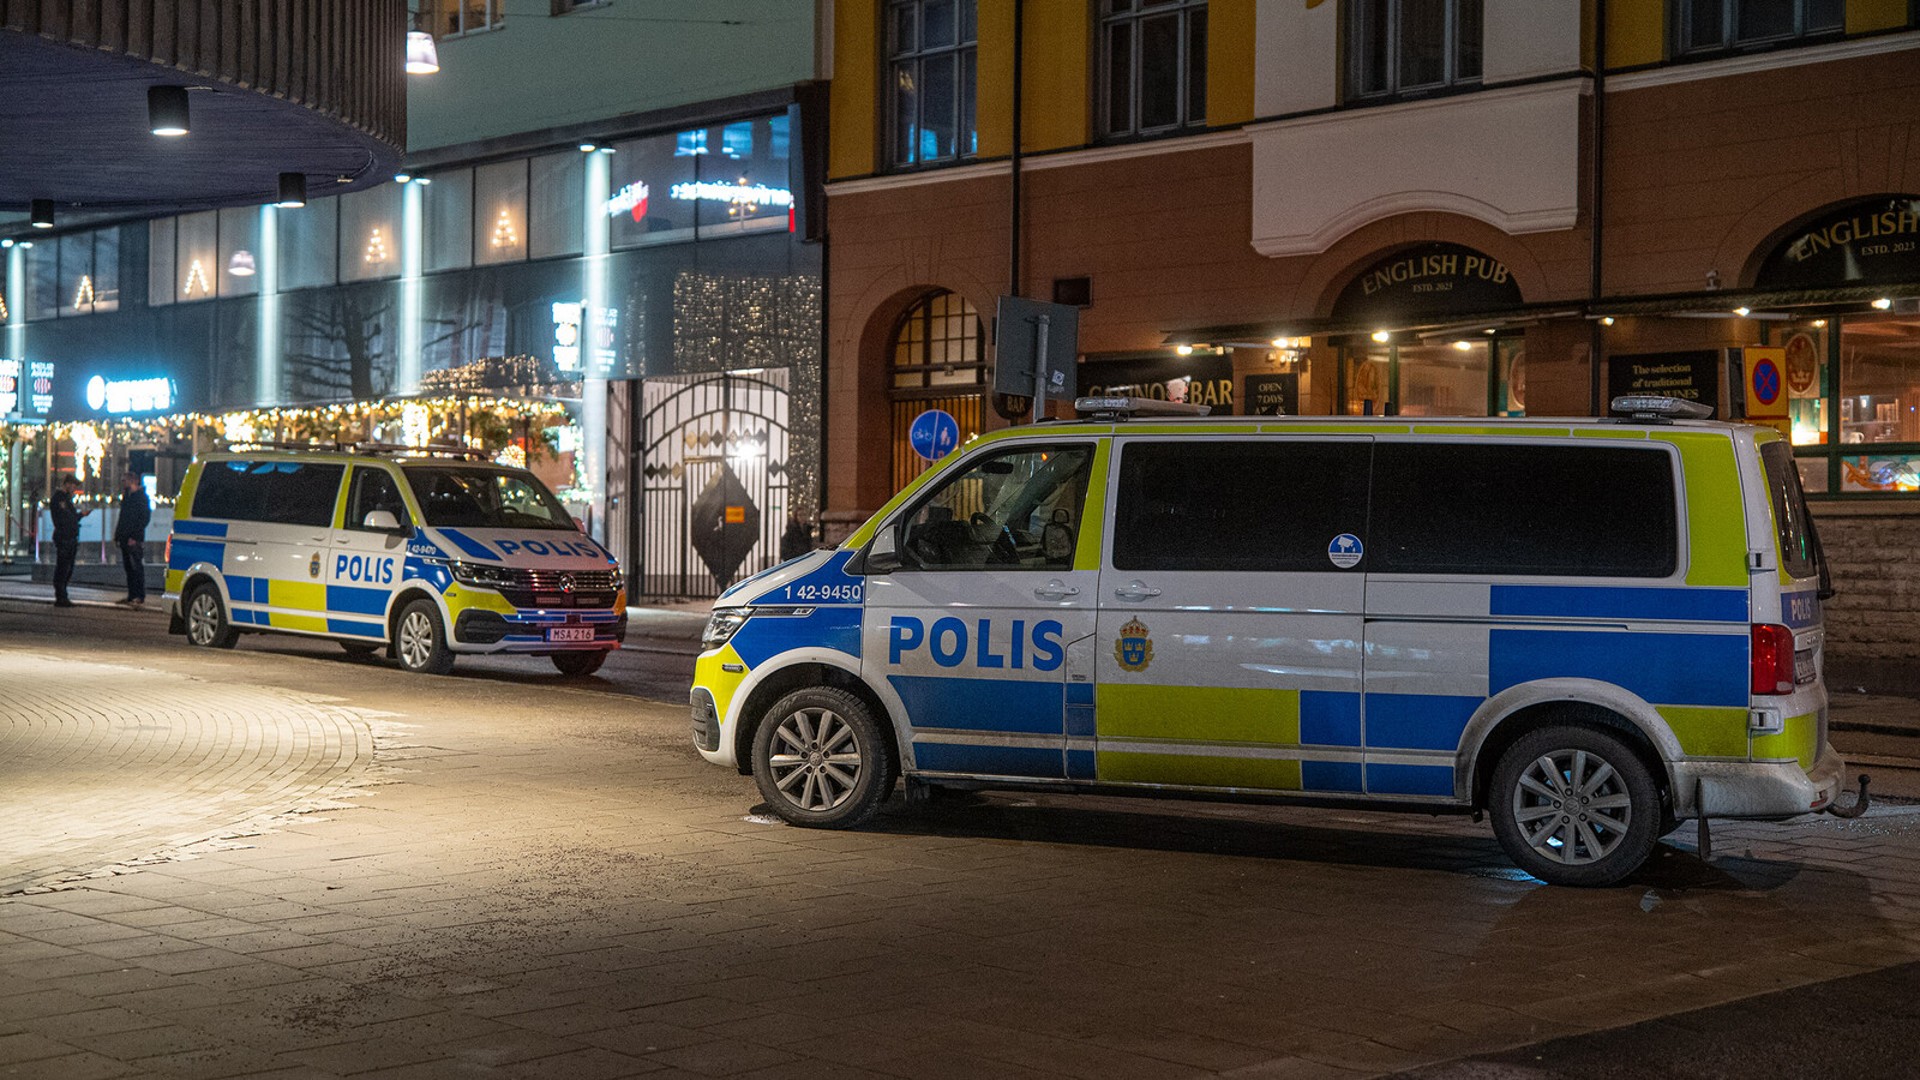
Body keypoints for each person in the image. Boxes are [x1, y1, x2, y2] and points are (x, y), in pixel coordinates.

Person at [48, 475, 86, 608]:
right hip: (64, 537)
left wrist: (81, 515)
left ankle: (63, 595)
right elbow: (65, 519)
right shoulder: (59, 499)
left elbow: (71, 517)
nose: (75, 489)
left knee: (67, 568)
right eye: (74, 486)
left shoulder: (66, 499)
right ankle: (61, 596)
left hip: (69, 537)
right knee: (63, 568)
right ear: (67, 484)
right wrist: (76, 518)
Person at [114, 471, 151, 606]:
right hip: (125, 537)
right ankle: (132, 595)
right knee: (129, 567)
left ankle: (139, 595)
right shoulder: (127, 496)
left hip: (134, 538)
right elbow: (123, 517)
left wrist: (134, 536)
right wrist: (118, 535)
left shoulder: (141, 497)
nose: (123, 483)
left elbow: (144, 519)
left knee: (136, 566)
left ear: (132, 481)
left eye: (125, 480)